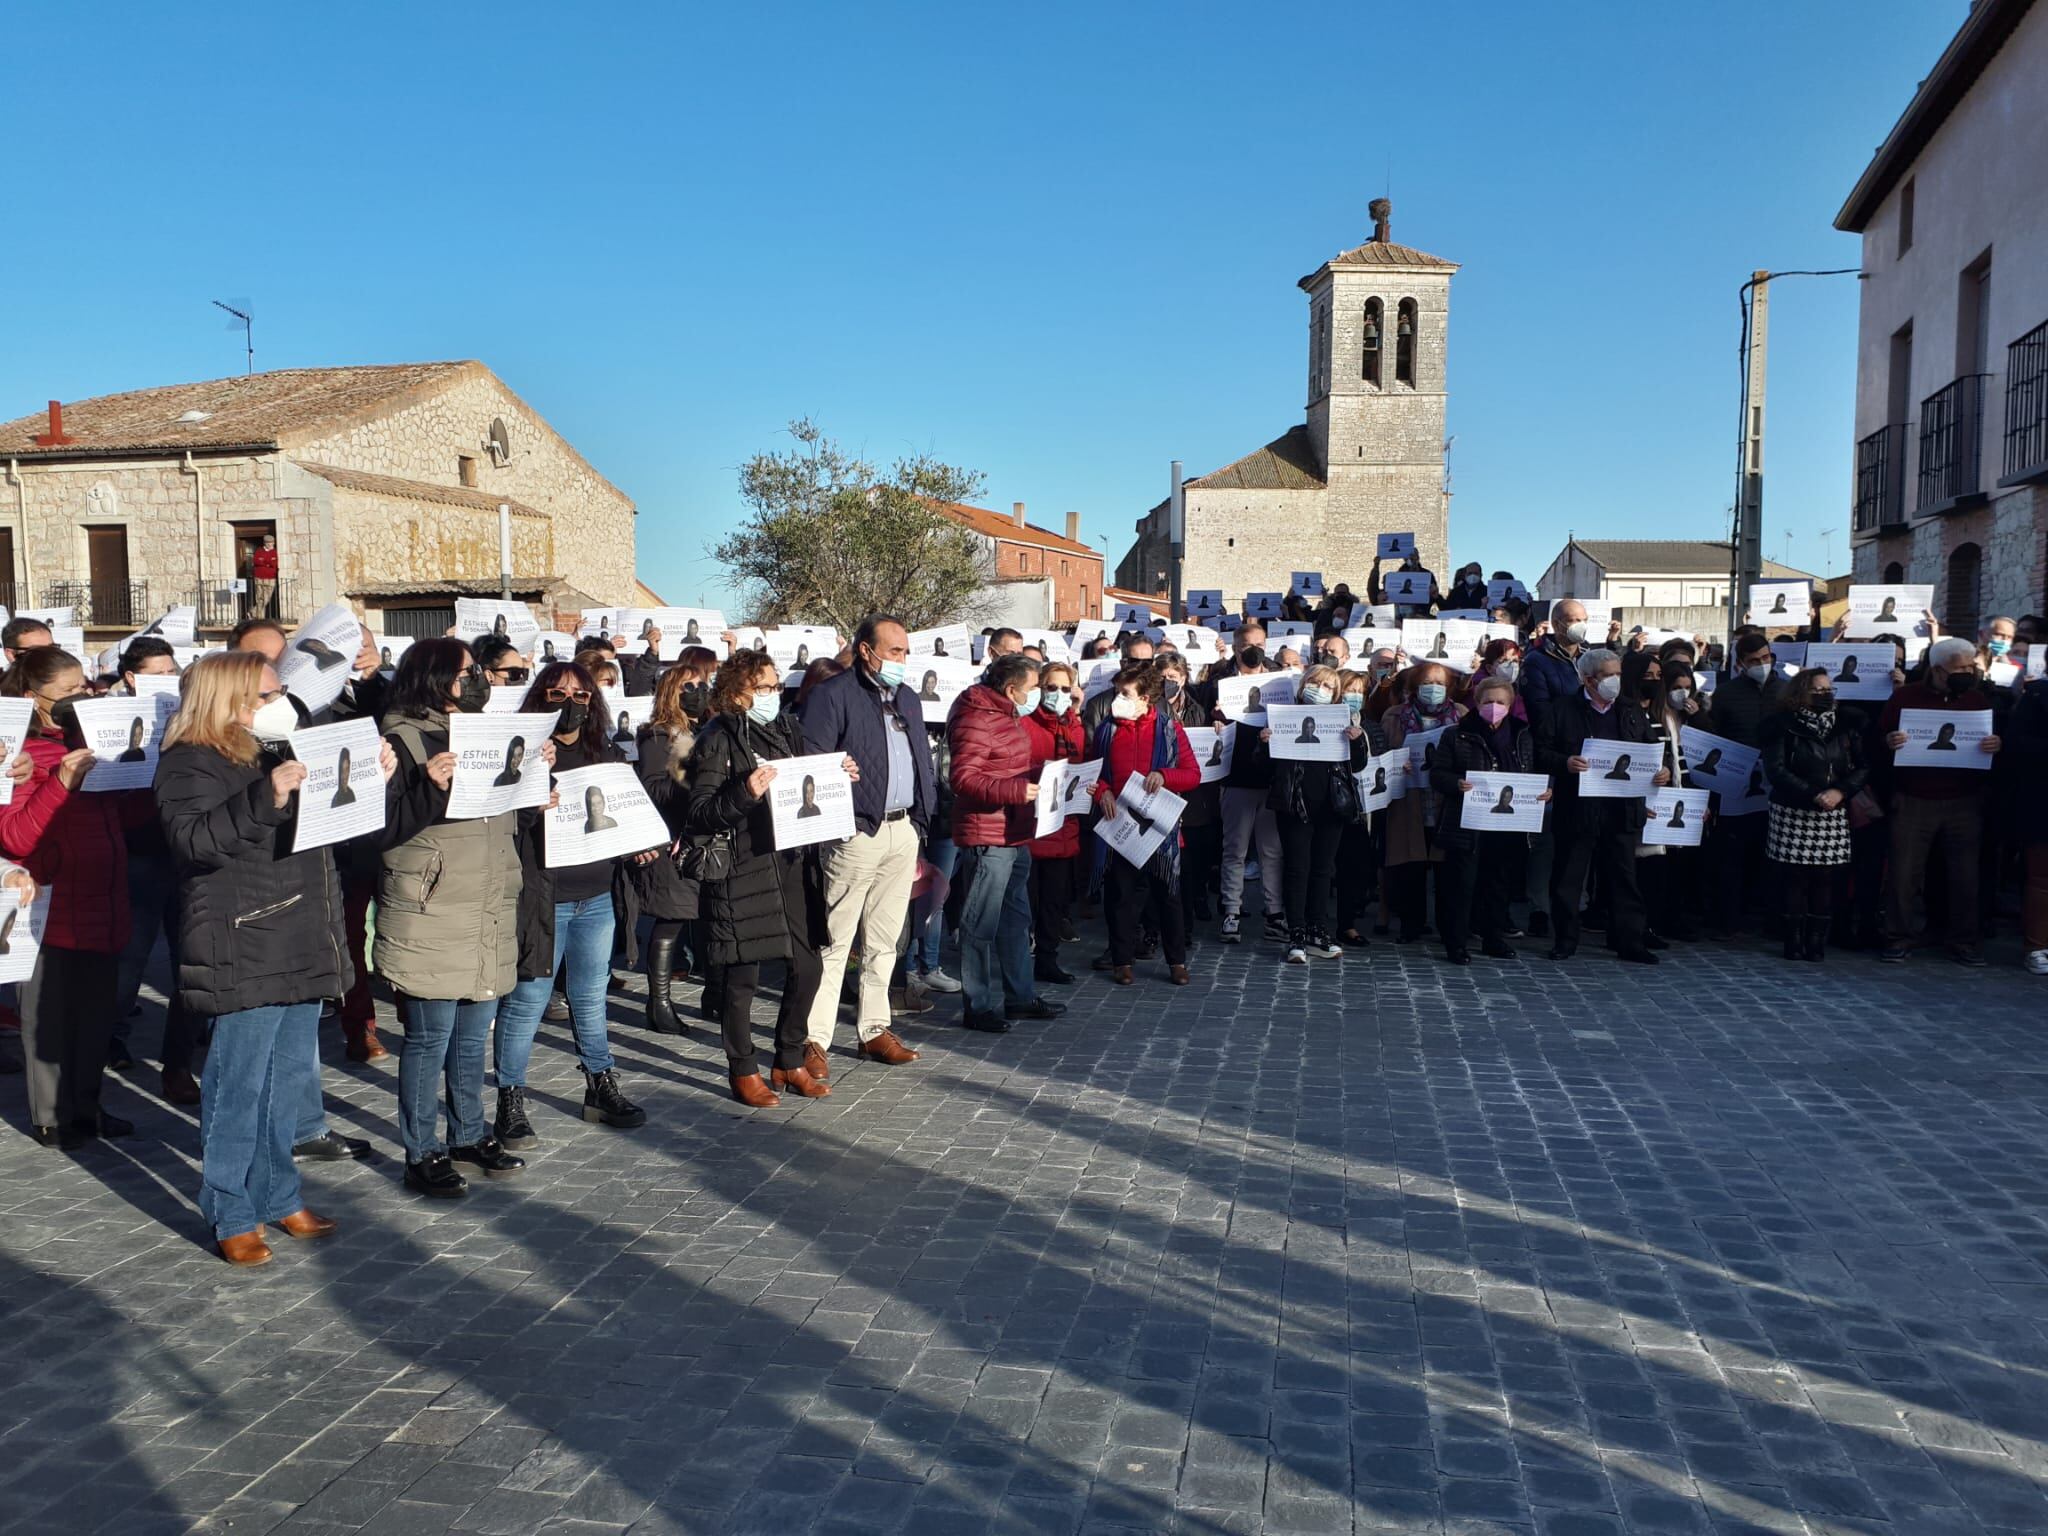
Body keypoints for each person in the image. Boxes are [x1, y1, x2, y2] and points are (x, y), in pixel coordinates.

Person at [157, 652, 383, 1264]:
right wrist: (266, 795)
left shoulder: (275, 744)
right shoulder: (189, 760)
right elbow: (196, 842)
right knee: (238, 1087)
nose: (278, 701)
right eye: (265, 693)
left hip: (302, 932)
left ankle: (280, 1195)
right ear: (226, 697)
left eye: (279, 690)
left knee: (287, 1083)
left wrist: (368, 776)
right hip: (245, 938)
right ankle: (230, 1210)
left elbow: (324, 826)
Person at [376, 640, 534, 1197]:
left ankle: (468, 1134)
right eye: (467, 673)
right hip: (432, 909)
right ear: (436, 677)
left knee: (472, 1040)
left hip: (486, 903)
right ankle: (422, 1151)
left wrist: (536, 785)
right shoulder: (400, 738)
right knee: (429, 1040)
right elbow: (382, 828)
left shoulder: (483, 731)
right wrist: (427, 784)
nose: (478, 681)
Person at [492, 661, 655, 1132]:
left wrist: (638, 847)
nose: (570, 704)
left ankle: (599, 1083)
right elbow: (502, 828)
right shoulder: (522, 754)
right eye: (558, 694)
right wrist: (528, 802)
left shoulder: (605, 752)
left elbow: (623, 815)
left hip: (597, 895)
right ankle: (510, 1098)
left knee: (589, 997)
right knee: (528, 1001)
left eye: (581, 696)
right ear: (539, 696)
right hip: (544, 897)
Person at [2, 647, 150, 1145]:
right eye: (68, 691)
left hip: (104, 900)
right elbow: (18, 838)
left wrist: (139, 779)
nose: (82, 696)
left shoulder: (92, 742)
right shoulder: (19, 756)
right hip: (49, 907)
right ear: (33, 698)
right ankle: (51, 1116)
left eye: (84, 686)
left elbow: (122, 824)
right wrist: (62, 781)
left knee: (95, 1019)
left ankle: (88, 1107)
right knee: (48, 1019)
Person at [684, 651, 834, 1104]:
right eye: (764, 689)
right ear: (737, 694)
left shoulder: (787, 729)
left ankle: (789, 1058)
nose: (773, 695)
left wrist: (835, 776)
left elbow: (808, 779)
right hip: (743, 870)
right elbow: (700, 813)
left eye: (775, 687)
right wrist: (744, 792)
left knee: (809, 965)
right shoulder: (717, 738)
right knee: (741, 977)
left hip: (790, 863)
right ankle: (743, 1068)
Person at [794, 614, 933, 1070]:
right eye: (894, 651)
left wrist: (920, 818)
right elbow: (809, 761)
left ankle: (874, 1028)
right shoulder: (833, 696)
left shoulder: (907, 699)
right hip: (855, 831)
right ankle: (813, 1038)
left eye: (905, 652)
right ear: (866, 651)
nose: (901, 660)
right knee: (835, 941)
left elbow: (920, 761)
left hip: (901, 830)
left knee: (885, 939)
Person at [948, 653, 1061, 1031]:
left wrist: (1049, 780)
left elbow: (1006, 764)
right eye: (1032, 689)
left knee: (1016, 919)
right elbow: (963, 778)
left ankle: (1020, 996)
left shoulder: (1007, 715)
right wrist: (1017, 790)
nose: (1037, 695)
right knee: (980, 923)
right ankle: (977, 1005)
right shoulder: (977, 717)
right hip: (988, 834)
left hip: (1014, 833)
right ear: (1011, 689)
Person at [1535, 648, 1668, 964]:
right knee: (1568, 877)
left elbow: (1650, 747)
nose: (1616, 681)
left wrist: (1659, 770)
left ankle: (1629, 941)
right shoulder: (1562, 709)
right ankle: (1566, 939)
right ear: (1588, 678)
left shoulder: (1630, 709)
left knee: (1624, 877)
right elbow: (1541, 751)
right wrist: (1564, 762)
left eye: (1619, 674)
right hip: (1578, 807)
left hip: (1621, 808)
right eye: (1609, 675)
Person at [1876, 636, 2002, 966]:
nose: (1969, 672)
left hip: (1964, 799)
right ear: (1938, 670)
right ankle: (1898, 937)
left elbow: (1996, 746)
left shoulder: (1978, 699)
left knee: (1965, 875)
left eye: (1971, 666)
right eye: (1961, 667)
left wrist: (1995, 745)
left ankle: (1963, 940)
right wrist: (1889, 740)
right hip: (1914, 798)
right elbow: (1874, 743)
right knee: (1904, 873)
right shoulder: (1905, 698)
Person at [107, 637, 194, 1095]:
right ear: (131, 677)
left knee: (189, 957)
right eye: (157, 672)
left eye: (172, 670)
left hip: (179, 848)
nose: (168, 679)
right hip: (137, 849)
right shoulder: (109, 716)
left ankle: (181, 1052)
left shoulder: (184, 714)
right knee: (131, 956)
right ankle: (111, 1037)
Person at [1088, 664, 1199, 984]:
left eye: (1124, 694)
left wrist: (1165, 775)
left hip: (1159, 829)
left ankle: (1176, 961)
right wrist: (1104, 793)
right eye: (1116, 692)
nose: (1116, 700)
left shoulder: (1169, 729)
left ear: (1146, 698)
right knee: (1120, 894)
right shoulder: (1107, 731)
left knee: (1168, 896)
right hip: (1119, 826)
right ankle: (1121, 960)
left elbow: (1193, 774)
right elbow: (1094, 773)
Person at [1759, 668, 1867, 963]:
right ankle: (1793, 938)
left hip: (1833, 808)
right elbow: (1776, 769)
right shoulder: (1780, 725)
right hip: (1794, 807)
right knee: (1795, 876)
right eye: (1817, 690)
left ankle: (1816, 940)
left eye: (1828, 689)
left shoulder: (1846, 724)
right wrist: (1812, 794)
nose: (1825, 694)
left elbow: (1862, 766)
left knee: (1825, 877)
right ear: (1800, 693)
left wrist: (1841, 792)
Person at [1265, 665, 1366, 964]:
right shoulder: (1285, 717)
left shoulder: (1341, 719)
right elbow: (1264, 769)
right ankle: (1296, 932)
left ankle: (1317, 930)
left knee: (1323, 870)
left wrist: (1357, 740)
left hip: (1331, 805)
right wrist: (1264, 743)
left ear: (1335, 694)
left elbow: (1357, 766)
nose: (1319, 690)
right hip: (1295, 805)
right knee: (1298, 868)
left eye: (1327, 686)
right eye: (1314, 683)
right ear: (1302, 685)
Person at [632, 667, 702, 1035]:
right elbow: (653, 787)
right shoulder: (658, 736)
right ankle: (658, 1003)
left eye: (701, 685)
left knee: (681, 915)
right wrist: (696, 789)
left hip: (689, 837)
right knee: (670, 917)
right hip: (665, 838)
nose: (697, 691)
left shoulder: (696, 732)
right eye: (688, 687)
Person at [1382, 663, 1464, 943]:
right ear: (1415, 686)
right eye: (1428, 682)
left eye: (1440, 683)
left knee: (1447, 869)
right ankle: (1411, 923)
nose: (1434, 688)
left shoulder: (1461, 715)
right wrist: (1396, 762)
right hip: (1410, 799)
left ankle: (1448, 926)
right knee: (1410, 865)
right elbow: (1382, 753)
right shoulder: (1394, 716)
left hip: (1446, 800)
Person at [1213, 646, 1287, 944]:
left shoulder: (1279, 688)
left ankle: (1274, 913)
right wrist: (1217, 718)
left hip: (1269, 782)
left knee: (1272, 852)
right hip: (1237, 780)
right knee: (1235, 850)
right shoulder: (1223, 686)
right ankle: (1231, 910)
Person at [1022, 660, 1086, 985]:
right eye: (1052, 687)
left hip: (1064, 825)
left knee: (1053, 903)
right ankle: (1020, 960)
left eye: (1064, 688)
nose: (1058, 694)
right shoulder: (1025, 725)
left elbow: (1083, 766)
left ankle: (1047, 959)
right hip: (1032, 827)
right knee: (1026, 902)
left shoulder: (1075, 727)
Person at [2008, 672, 2048, 975]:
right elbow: (2017, 743)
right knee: (2041, 880)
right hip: (2041, 801)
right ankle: (2037, 946)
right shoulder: (2036, 696)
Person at [249, 533, 279, 619]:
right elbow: (256, 561)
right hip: (259, 578)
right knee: (259, 598)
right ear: (265, 543)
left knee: (266, 598)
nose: (270, 544)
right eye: (269, 543)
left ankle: (253, 612)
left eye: (272, 543)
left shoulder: (274, 552)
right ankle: (260, 618)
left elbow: (274, 563)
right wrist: (268, 562)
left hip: (271, 578)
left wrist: (264, 561)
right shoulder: (259, 551)